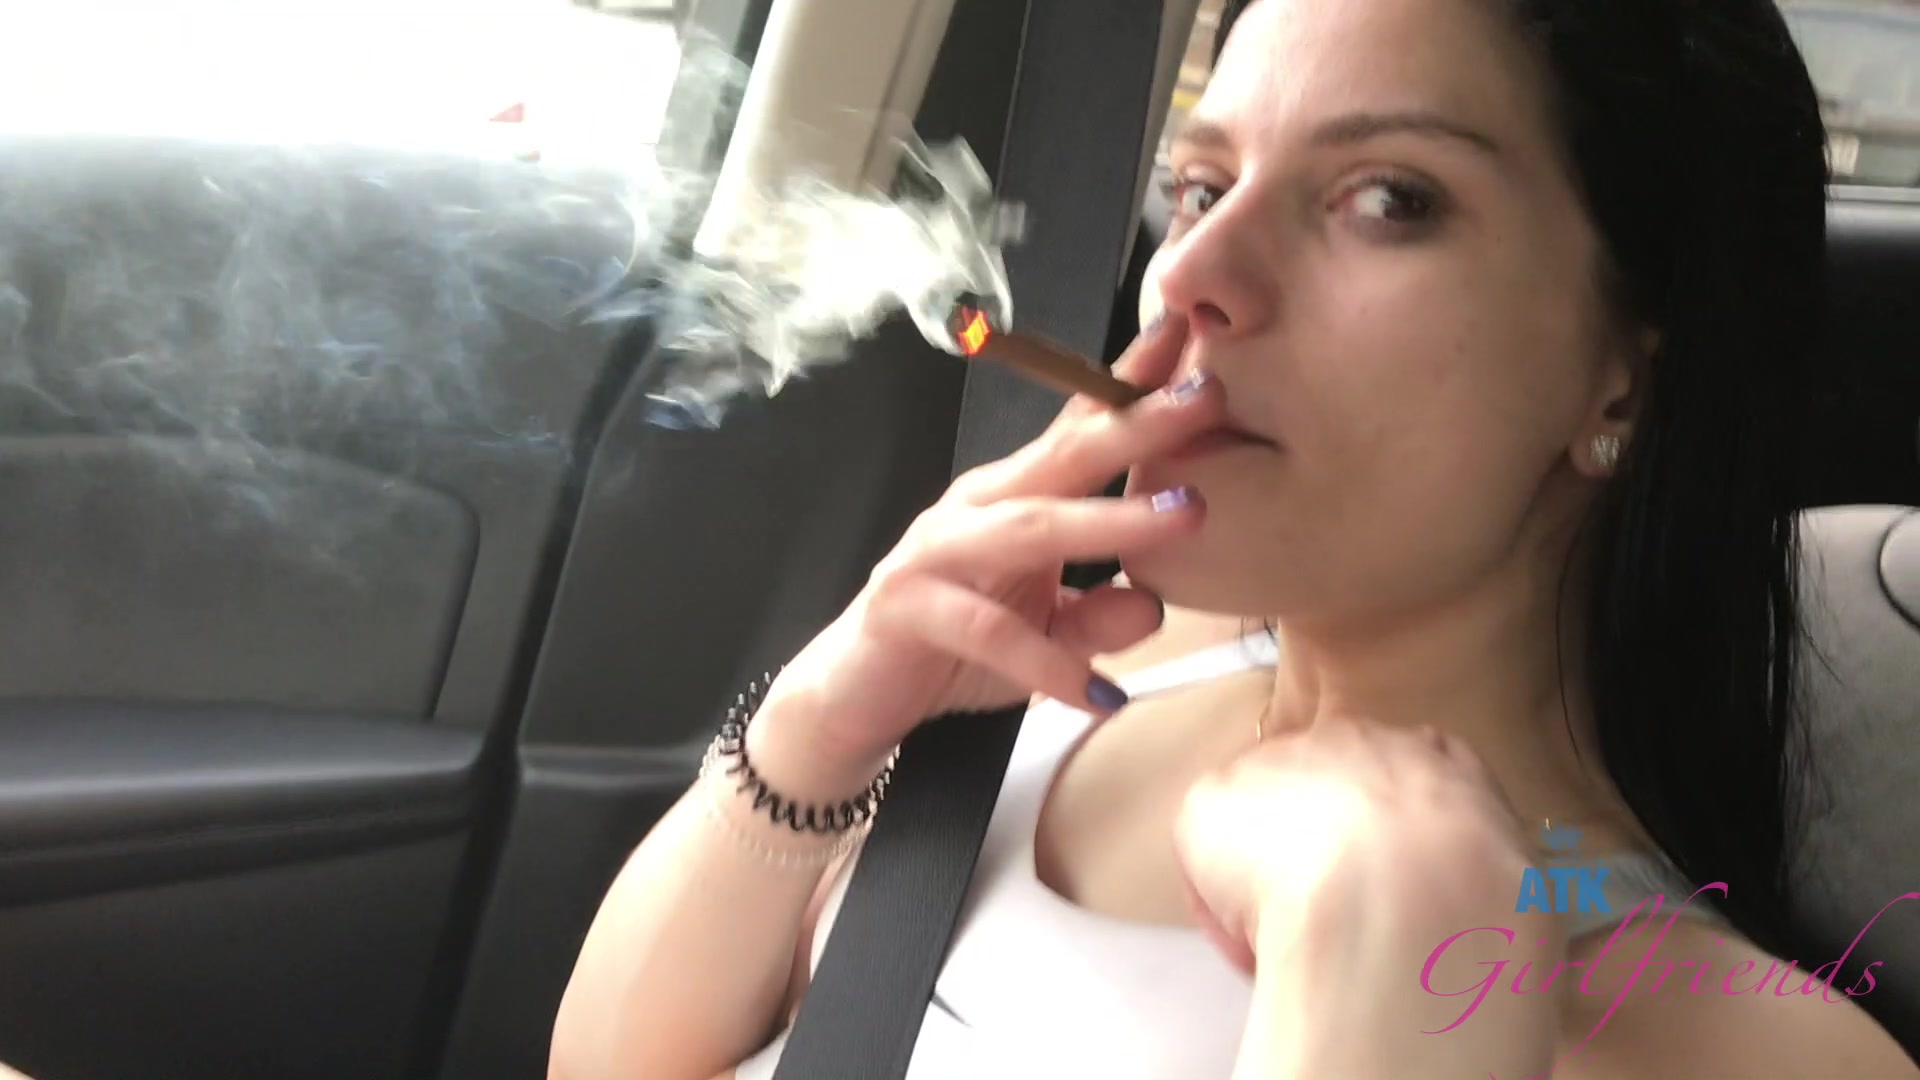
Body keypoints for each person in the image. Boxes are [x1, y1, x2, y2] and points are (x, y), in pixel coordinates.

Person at [549, 0, 1920, 1076]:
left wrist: (1390, 960)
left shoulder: (1749, 1049)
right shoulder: (1084, 682)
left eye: (1388, 198)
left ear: (1618, 380)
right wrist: (816, 735)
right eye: (1205, 186)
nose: (1192, 270)